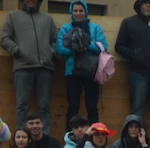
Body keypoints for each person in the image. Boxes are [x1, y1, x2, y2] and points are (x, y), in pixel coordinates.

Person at [115, 0, 150, 125]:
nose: (147, 5)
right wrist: (135, 55)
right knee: (137, 110)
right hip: (138, 73)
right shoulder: (128, 23)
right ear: (139, 6)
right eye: (144, 3)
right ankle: (137, 143)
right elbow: (119, 46)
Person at [3, 0, 58, 131]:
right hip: (22, 68)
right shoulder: (13, 16)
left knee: (44, 106)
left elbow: (56, 40)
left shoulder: (48, 19)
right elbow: (4, 37)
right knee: (22, 106)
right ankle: (21, 139)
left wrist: (50, 52)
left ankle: (45, 140)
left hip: (45, 68)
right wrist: (16, 50)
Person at [56, 0, 107, 124]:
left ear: (85, 12)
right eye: (75, 11)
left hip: (92, 72)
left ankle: (95, 136)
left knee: (92, 107)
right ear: (71, 12)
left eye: (81, 10)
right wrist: (75, 48)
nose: (78, 13)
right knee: (73, 106)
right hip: (73, 73)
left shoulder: (95, 28)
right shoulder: (65, 28)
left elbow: (103, 47)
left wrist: (85, 44)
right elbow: (60, 49)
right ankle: (70, 136)